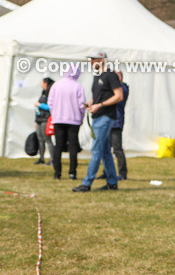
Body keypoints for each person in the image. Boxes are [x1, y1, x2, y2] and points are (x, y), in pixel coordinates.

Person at [73, 52, 123, 192]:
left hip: (105, 117)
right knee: (105, 151)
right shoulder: (97, 77)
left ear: (101, 60)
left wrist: (100, 106)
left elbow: (119, 96)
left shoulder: (111, 75)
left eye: (93, 59)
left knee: (95, 150)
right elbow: (97, 97)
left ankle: (86, 183)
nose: (91, 62)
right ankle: (112, 182)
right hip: (97, 117)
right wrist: (90, 104)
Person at [48, 66, 85, 180]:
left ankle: (57, 173)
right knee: (73, 146)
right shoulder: (78, 86)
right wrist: (81, 117)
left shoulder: (56, 85)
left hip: (58, 119)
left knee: (58, 145)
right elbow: (82, 105)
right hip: (74, 120)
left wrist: (54, 115)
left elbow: (51, 103)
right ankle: (72, 173)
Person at [108, 71, 129, 180]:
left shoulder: (123, 89)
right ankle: (107, 171)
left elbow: (116, 98)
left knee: (117, 149)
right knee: (106, 149)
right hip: (109, 121)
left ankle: (122, 173)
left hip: (116, 122)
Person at [33, 77, 55, 165]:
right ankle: (41, 158)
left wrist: (39, 104)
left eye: (41, 82)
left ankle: (52, 160)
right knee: (40, 139)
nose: (40, 84)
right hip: (39, 119)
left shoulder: (51, 93)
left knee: (47, 140)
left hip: (46, 119)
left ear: (45, 83)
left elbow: (50, 107)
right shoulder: (43, 92)